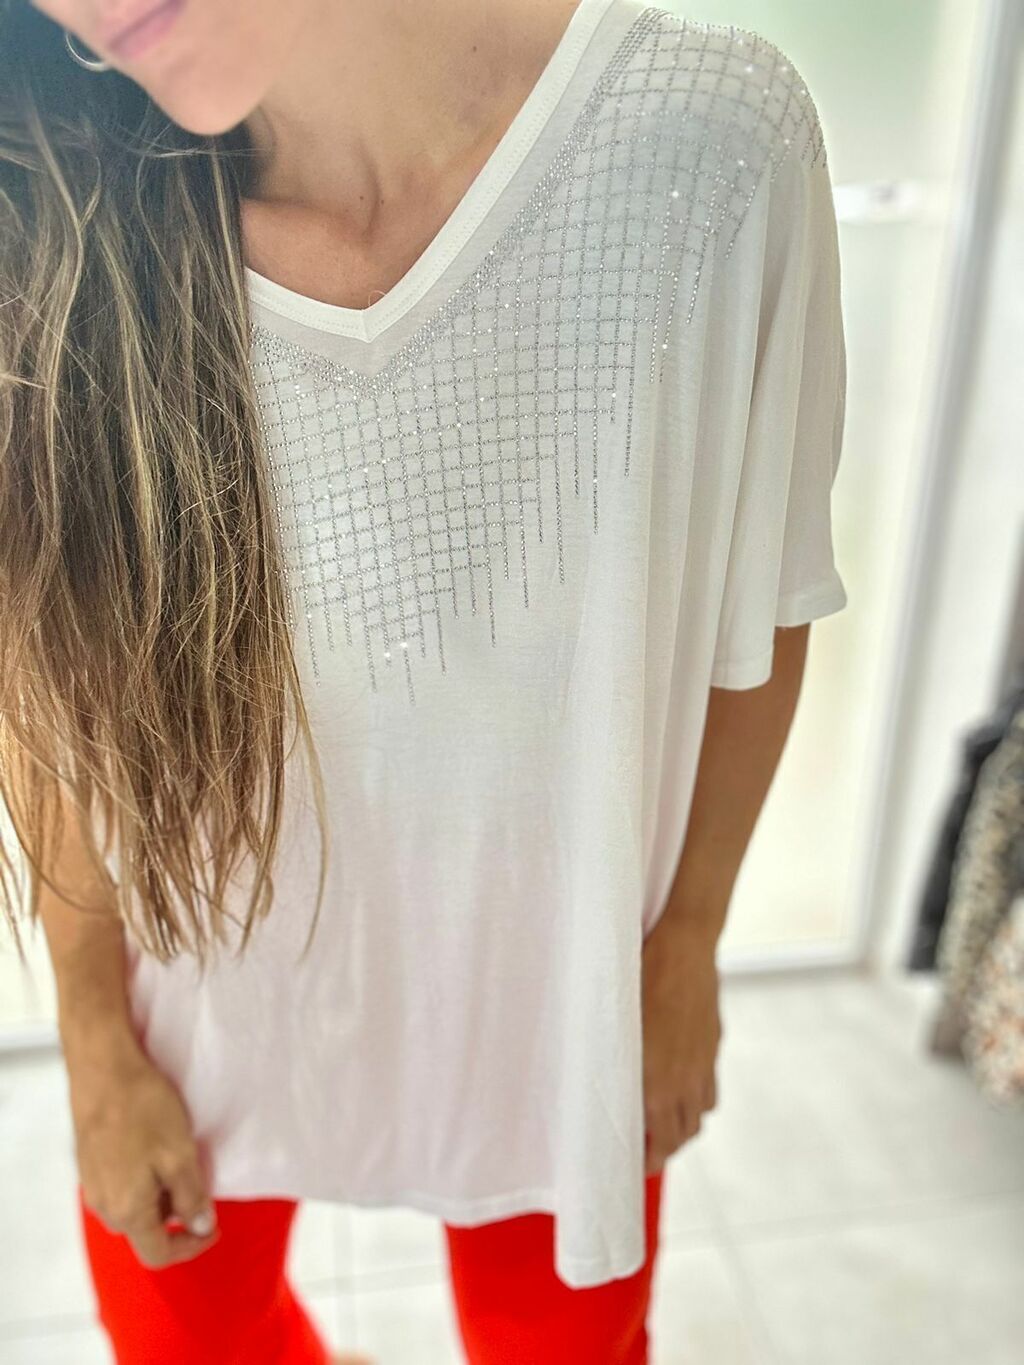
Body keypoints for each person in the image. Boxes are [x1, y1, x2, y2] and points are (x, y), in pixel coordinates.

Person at [0, 0, 849, 1360]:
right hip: (188, 1013)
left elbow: (764, 600)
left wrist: (687, 941)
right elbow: (50, 680)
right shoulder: (51, 208)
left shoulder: (712, 146)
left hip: (554, 1010)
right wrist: (94, 1031)